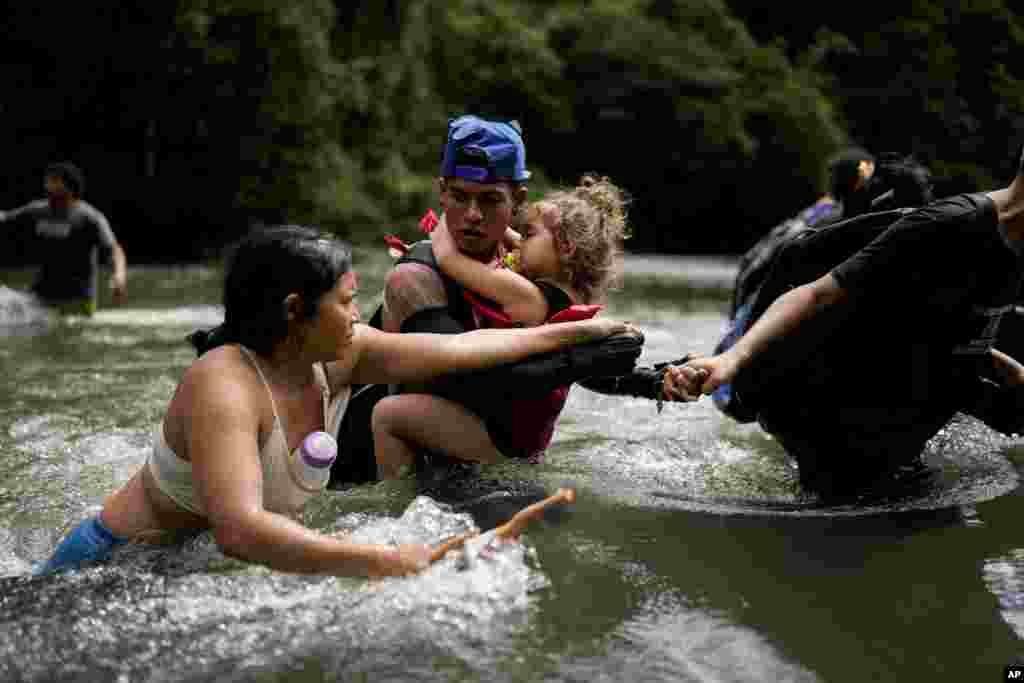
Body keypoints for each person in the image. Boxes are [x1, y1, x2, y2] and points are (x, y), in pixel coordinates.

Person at [37, 225, 632, 576]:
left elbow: (464, 349)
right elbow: (239, 531)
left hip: (184, 573)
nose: (358, 314)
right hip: (107, 570)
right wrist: (385, 559)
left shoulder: (340, 356)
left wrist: (573, 333)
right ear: (295, 311)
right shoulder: (224, 386)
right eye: (346, 302)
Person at [665, 144, 1024, 499]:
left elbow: (938, 326)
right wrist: (733, 358)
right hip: (837, 415)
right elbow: (815, 294)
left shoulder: (984, 248)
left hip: (897, 406)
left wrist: (1001, 368)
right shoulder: (943, 226)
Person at [372, 175, 633, 477]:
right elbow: (520, 247)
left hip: (498, 441)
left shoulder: (527, 296)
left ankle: (398, 506)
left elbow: (448, 259)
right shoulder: (568, 299)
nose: (518, 241)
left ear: (567, 247)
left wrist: (450, 213)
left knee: (388, 415)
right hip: (527, 441)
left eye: (529, 234)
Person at [0, 162, 127, 315]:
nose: (47, 185)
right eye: (47, 181)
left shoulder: (89, 217)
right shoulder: (37, 210)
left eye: (54, 181)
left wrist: (119, 276)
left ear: (69, 186)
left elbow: (113, 249)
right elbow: (5, 218)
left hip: (77, 301)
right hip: (40, 296)